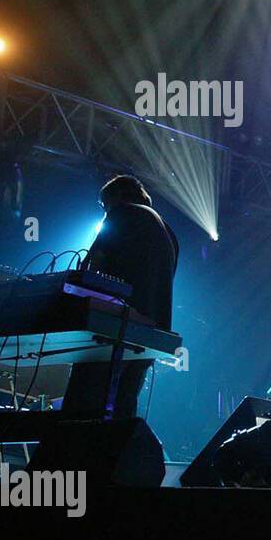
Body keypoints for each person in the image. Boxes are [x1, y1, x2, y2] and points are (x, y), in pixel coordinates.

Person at [63, 175, 179, 418]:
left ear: (117, 199)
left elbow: (89, 270)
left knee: (81, 413)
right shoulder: (169, 233)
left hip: (112, 329)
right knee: (121, 414)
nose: (105, 212)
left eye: (105, 206)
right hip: (150, 336)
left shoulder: (121, 215)